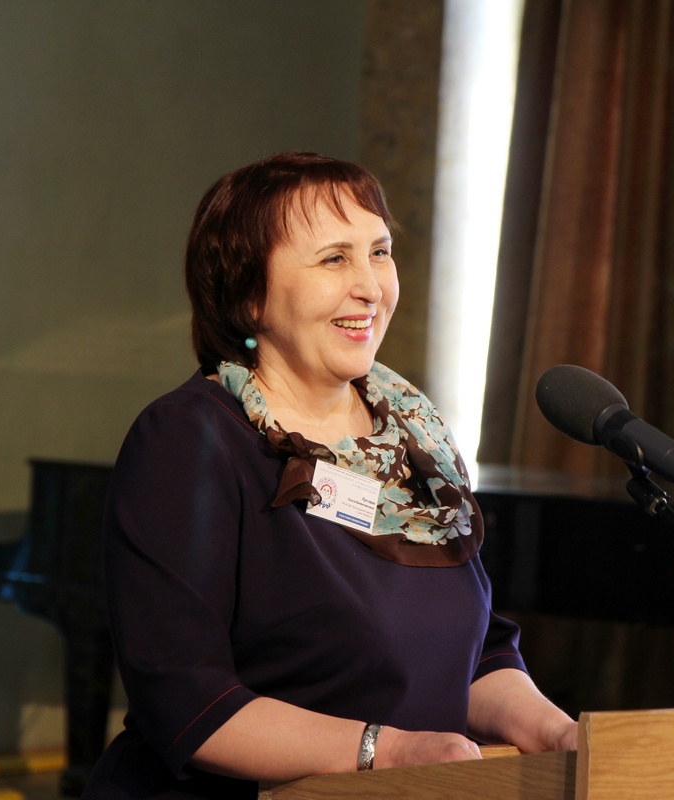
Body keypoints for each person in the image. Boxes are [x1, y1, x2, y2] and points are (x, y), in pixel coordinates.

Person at [84, 152, 577, 799]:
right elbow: (186, 699)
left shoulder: (413, 438)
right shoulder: (190, 440)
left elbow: (476, 649)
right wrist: (387, 751)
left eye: (380, 252)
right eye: (334, 259)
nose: (371, 287)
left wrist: (555, 731)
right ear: (248, 294)